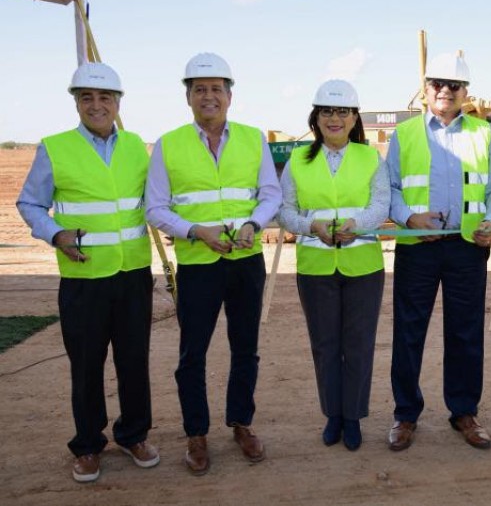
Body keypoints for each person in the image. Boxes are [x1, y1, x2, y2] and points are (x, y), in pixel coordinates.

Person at [16, 62, 159, 482]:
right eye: (87, 97)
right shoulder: (55, 147)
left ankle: (134, 434)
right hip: (82, 280)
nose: (96, 105)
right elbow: (30, 204)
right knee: (86, 363)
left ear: (118, 103)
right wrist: (55, 234)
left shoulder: (136, 146)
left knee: (134, 360)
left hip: (132, 273)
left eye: (105, 97)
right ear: (76, 102)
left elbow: (154, 201)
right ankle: (87, 444)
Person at [145, 53, 281, 475]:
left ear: (230, 95)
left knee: (246, 349)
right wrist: (195, 231)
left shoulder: (253, 138)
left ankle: (241, 423)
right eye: (200, 89)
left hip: (246, 261)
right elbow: (155, 207)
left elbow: (270, 193)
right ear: (188, 96)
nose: (209, 96)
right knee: (193, 353)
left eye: (216, 89)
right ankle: (196, 434)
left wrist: (253, 224)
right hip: (198, 263)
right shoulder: (169, 144)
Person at [386, 52, 491, 451]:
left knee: (465, 332)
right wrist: (408, 218)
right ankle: (406, 415)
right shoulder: (403, 135)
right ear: (425, 90)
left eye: (453, 85)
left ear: (465, 92)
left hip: (467, 248)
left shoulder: (484, 134)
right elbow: (387, 190)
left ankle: (463, 411)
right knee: (408, 332)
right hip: (417, 248)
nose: (444, 90)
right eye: (437, 83)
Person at [278, 79, 389, 451]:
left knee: (358, 345)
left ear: (355, 117)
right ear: (316, 117)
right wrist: (311, 226)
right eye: (327, 111)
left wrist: (358, 225)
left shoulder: (371, 157)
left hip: (363, 267)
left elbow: (380, 205)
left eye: (342, 111)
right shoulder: (297, 160)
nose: (335, 118)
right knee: (325, 345)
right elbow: (285, 211)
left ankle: (354, 416)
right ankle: (333, 415)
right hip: (316, 268)